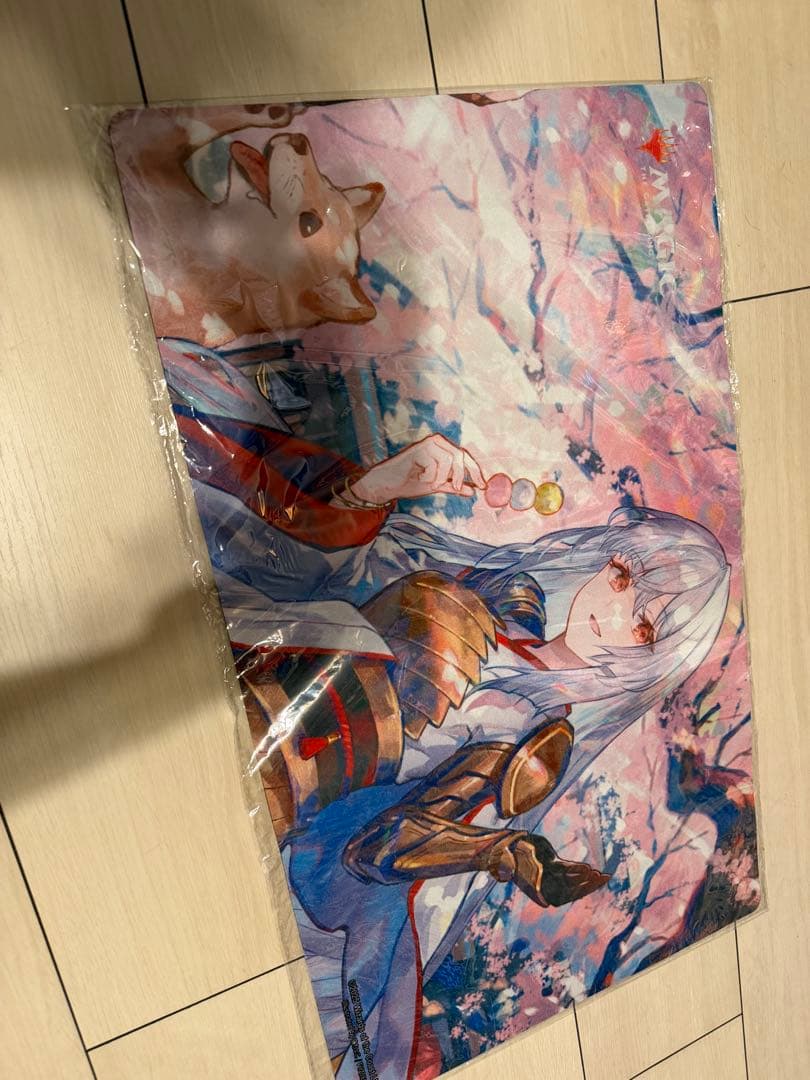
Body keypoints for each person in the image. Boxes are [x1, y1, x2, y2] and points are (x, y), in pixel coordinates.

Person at [159, 338, 731, 1076]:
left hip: (264, 812)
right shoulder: (502, 595)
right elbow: (321, 574)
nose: (613, 611)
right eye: (622, 577)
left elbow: (376, 850)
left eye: (644, 626)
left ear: (649, 660)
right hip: (228, 692)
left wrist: (494, 851)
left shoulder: (533, 742)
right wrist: (383, 485)